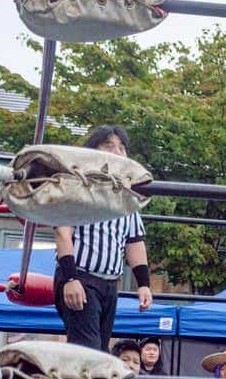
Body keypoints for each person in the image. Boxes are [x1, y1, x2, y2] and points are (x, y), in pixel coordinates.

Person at [53, 125, 153, 351]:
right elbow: (63, 231)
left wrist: (144, 284)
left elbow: (134, 241)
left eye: (121, 148)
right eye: (109, 147)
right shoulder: (77, 188)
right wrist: (70, 278)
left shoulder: (129, 196)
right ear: (93, 152)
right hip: (81, 274)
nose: (117, 152)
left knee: (99, 349)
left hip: (109, 282)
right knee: (87, 348)